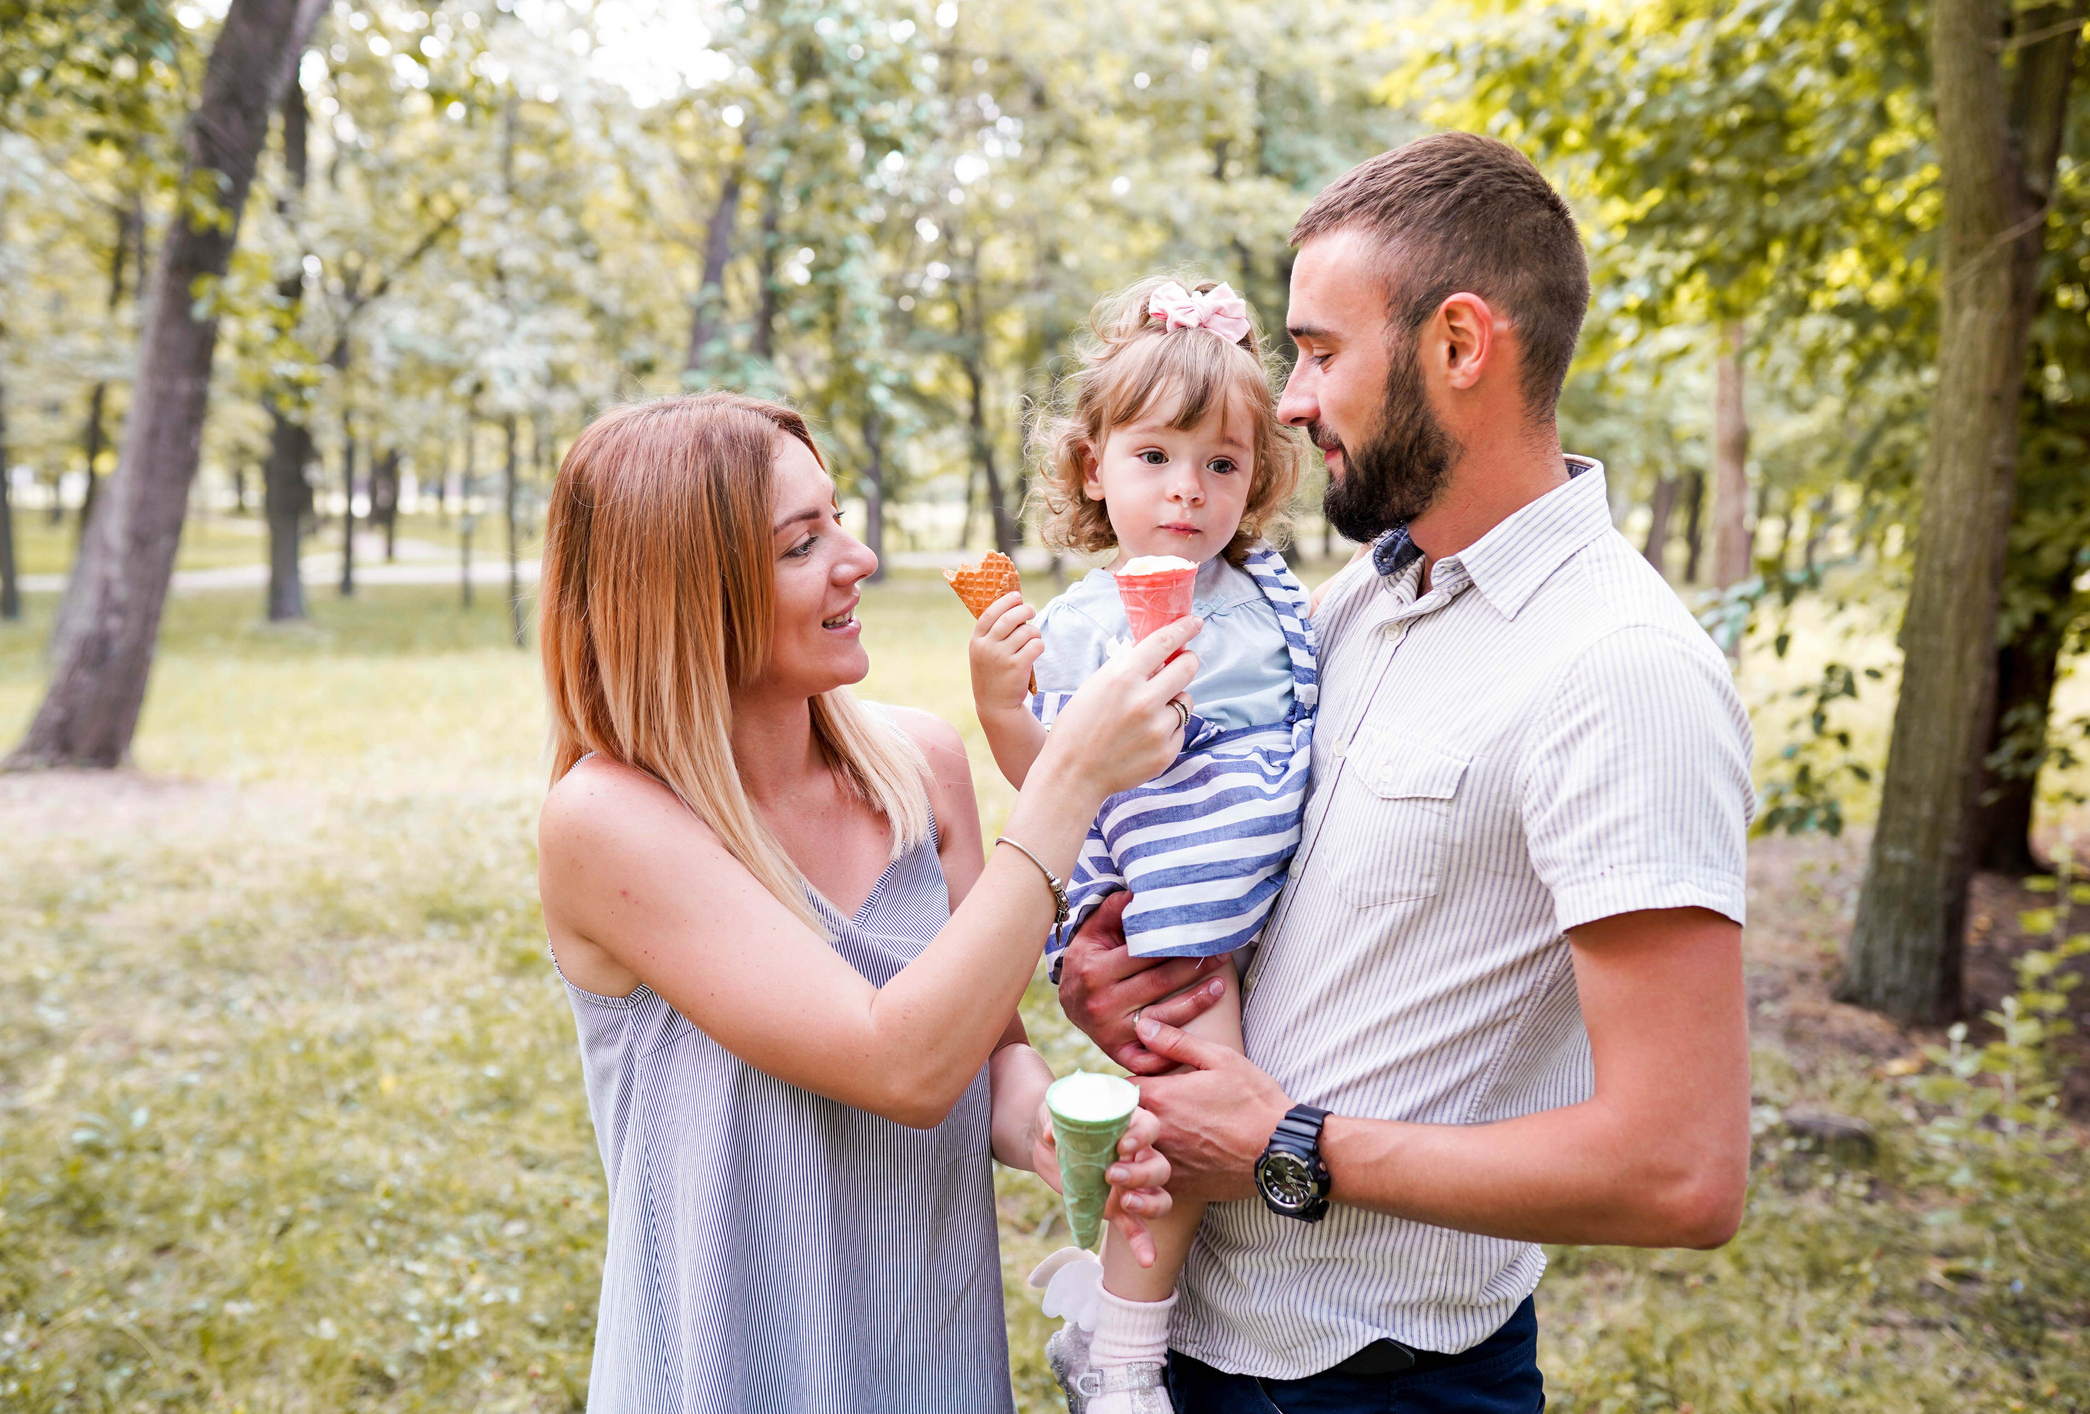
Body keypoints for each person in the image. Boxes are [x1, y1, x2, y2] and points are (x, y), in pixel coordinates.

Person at [1058, 132, 1758, 1412]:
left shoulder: (1622, 669)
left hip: (1376, 1383)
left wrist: (1284, 1144)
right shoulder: (1351, 606)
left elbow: (1681, 1168)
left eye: (1320, 351)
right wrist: (1127, 964)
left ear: (1458, 346)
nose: (1287, 402)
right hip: (1199, 1347)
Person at [534, 391, 1199, 1414]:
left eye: (837, 516)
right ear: (684, 592)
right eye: (802, 544)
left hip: (930, 1357)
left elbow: (981, 1049)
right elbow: (901, 1062)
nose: (860, 557)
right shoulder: (610, 821)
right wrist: (1070, 781)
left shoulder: (919, 764)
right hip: (738, 1377)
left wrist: (1052, 1132)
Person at [964, 276, 1311, 1413]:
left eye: (1221, 464)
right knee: (1182, 1137)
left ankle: (1106, 1314)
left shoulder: (1275, 602)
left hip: (1260, 907)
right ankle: (1118, 1359)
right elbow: (1045, 781)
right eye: (1155, 457)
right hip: (1165, 921)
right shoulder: (1080, 625)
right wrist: (1002, 702)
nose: (1186, 492)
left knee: (1201, 1137)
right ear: (1091, 468)